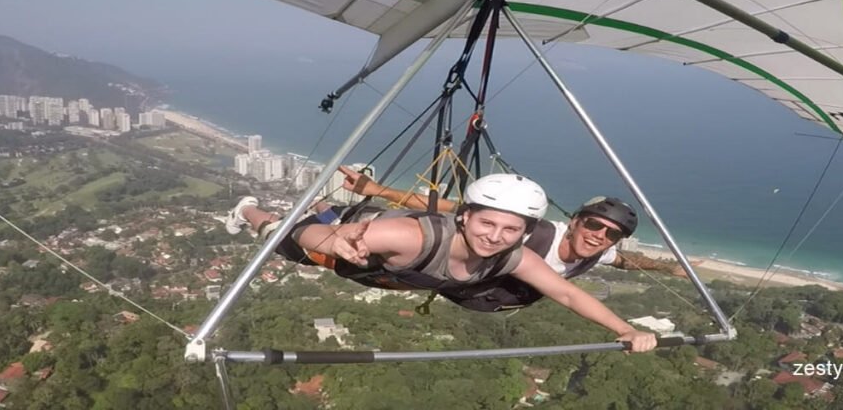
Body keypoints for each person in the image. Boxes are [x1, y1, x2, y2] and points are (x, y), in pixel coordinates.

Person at [223, 173, 657, 352]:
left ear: (523, 233)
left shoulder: (515, 254)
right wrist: (333, 242)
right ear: (465, 218)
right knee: (288, 239)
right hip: (372, 251)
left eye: (510, 230)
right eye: (487, 224)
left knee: (322, 234)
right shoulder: (412, 237)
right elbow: (318, 239)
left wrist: (625, 329)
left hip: (402, 276)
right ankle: (248, 211)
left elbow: (565, 291)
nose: (496, 237)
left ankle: (323, 210)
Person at [336, 166, 697, 311]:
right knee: (361, 256)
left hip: (489, 300)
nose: (599, 236)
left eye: (611, 234)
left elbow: (628, 262)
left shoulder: (597, 253)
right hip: (456, 282)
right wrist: (379, 190)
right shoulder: (531, 232)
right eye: (593, 226)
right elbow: (454, 208)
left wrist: (672, 270)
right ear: (574, 222)